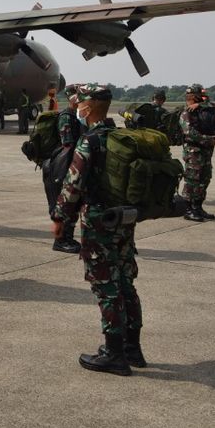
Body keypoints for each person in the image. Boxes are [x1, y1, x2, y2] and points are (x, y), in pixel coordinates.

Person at [51, 83, 143, 376]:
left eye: (81, 102)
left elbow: (72, 184)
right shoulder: (121, 137)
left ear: (88, 107)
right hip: (124, 221)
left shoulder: (89, 141)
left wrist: (60, 218)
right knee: (126, 282)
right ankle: (133, 349)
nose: (77, 106)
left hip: (98, 221)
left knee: (106, 286)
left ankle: (114, 354)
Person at [48, 84, 82, 253]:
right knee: (65, 204)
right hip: (65, 166)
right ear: (71, 98)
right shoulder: (66, 117)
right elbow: (67, 144)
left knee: (73, 204)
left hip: (71, 165)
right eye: (76, 95)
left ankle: (67, 238)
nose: (79, 98)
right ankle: (60, 241)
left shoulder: (75, 116)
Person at [179, 84, 215, 222]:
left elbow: (213, 105)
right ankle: (188, 209)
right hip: (193, 153)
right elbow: (190, 133)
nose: (202, 98)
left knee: (204, 179)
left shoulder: (203, 110)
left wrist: (201, 105)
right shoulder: (186, 113)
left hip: (206, 152)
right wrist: (208, 140)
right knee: (192, 180)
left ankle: (198, 207)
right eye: (198, 96)